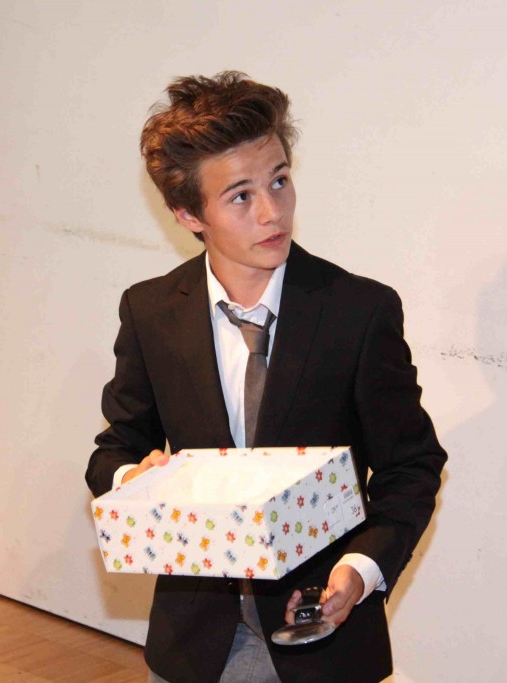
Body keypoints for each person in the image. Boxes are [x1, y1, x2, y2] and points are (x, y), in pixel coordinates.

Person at [85, 72, 446, 683]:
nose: (272, 212)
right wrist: (133, 479)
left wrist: (361, 570)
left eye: (280, 180)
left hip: (323, 634)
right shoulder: (150, 311)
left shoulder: (358, 311)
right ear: (187, 214)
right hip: (193, 642)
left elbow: (410, 466)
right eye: (240, 196)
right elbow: (114, 450)